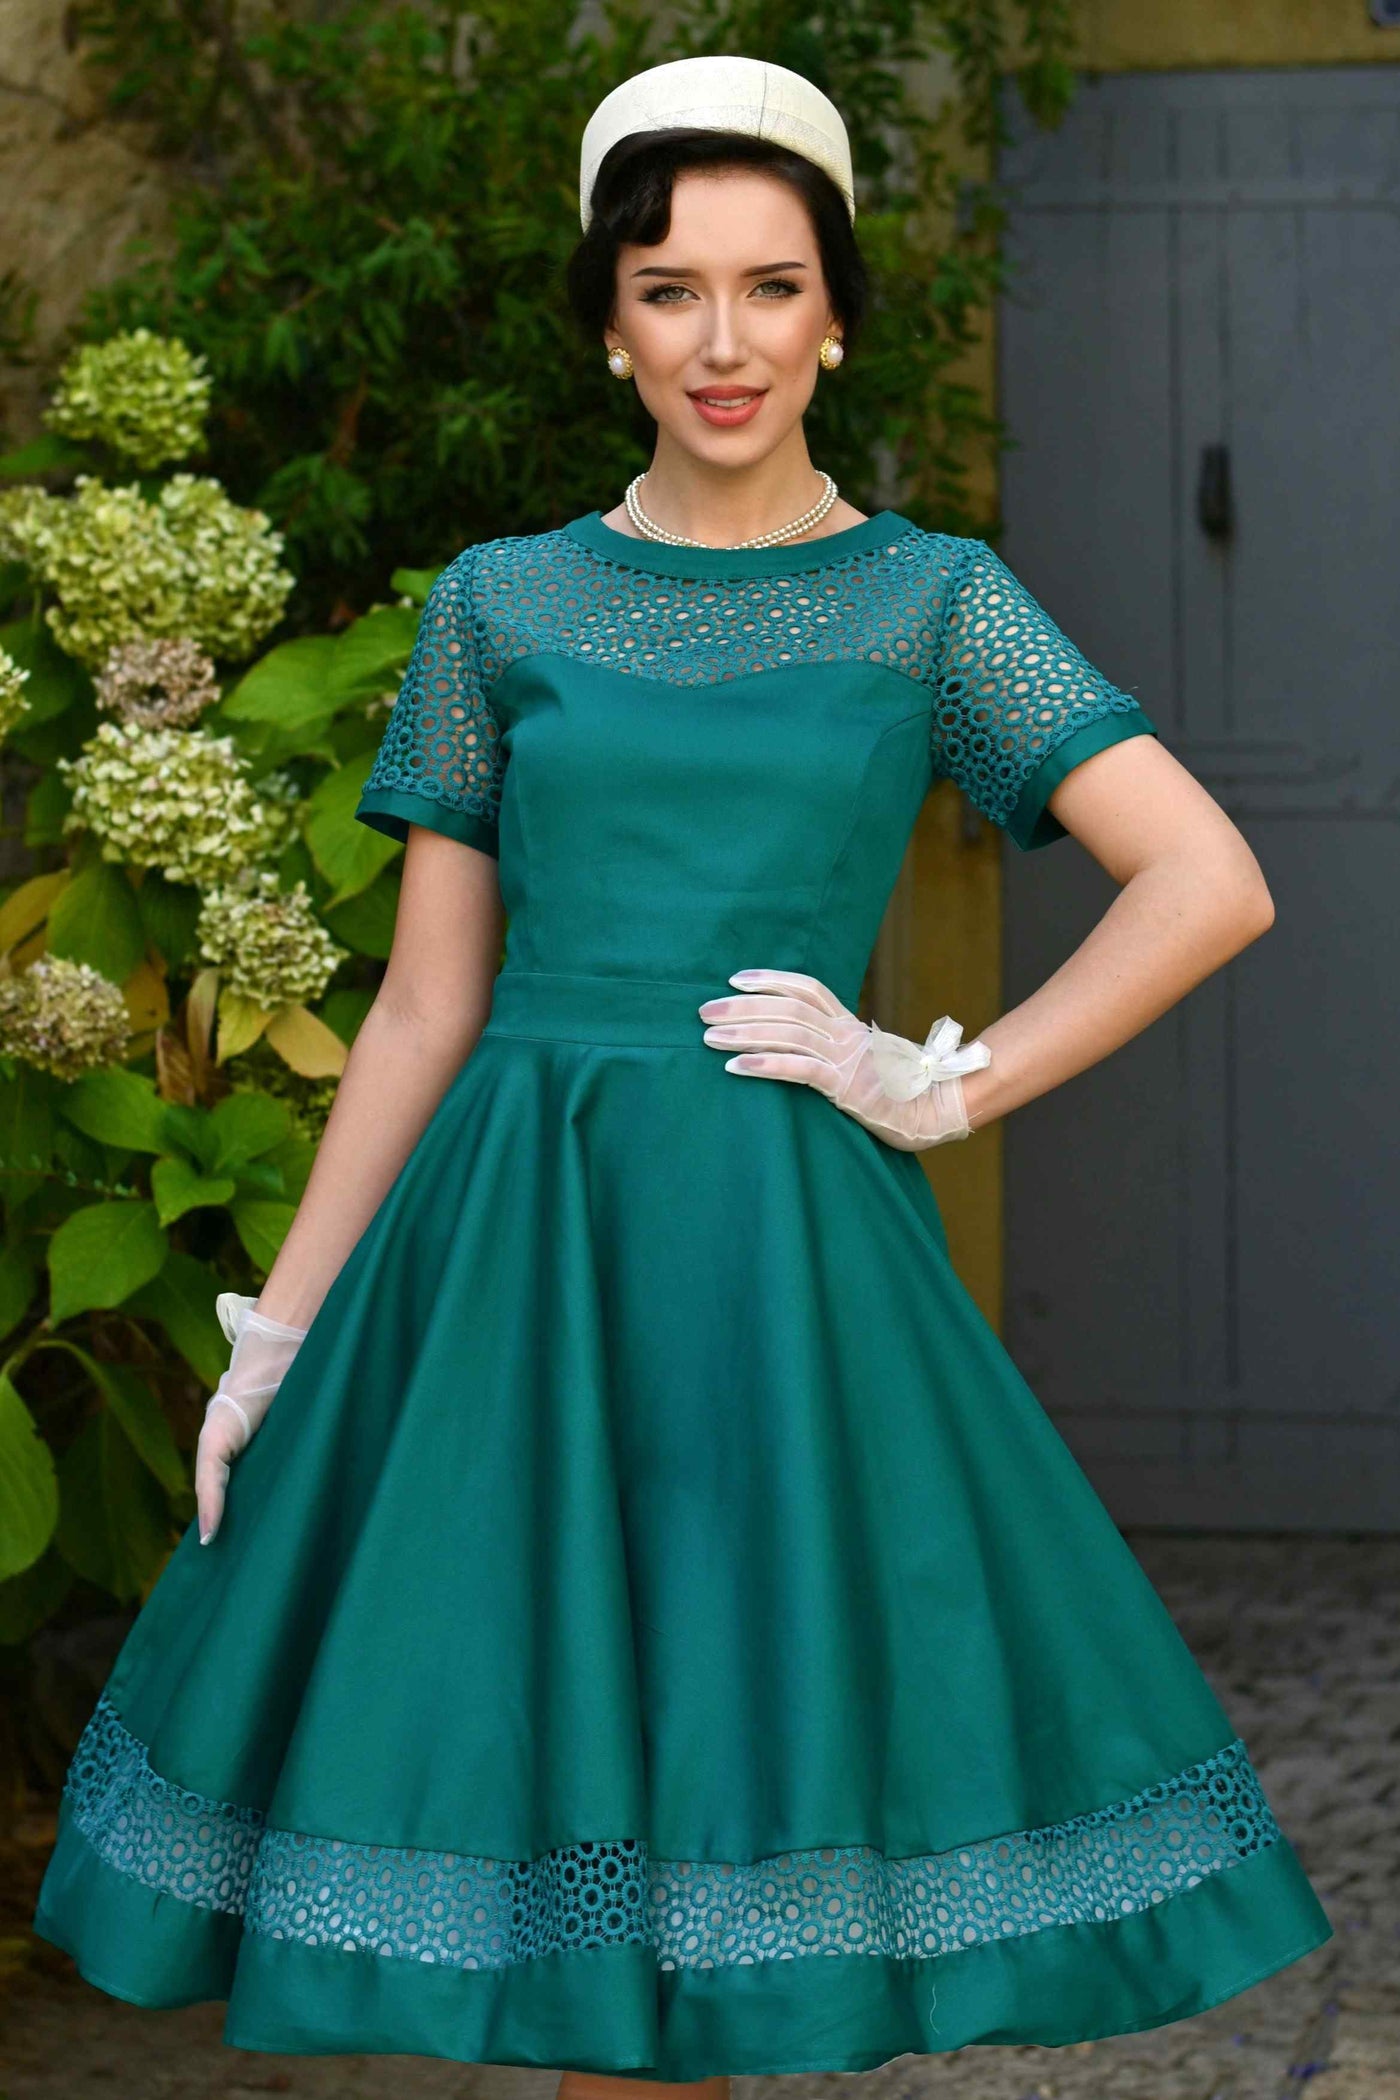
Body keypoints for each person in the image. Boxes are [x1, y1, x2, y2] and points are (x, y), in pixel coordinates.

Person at [33, 51, 1332, 2091]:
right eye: (667, 288)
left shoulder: (930, 603)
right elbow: (423, 1010)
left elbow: (1210, 880)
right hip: (509, 1267)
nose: (722, 343)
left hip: (782, 1261)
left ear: (836, 313)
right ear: (608, 316)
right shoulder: (504, 602)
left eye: (770, 286)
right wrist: (277, 1335)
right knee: (550, 1801)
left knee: (746, 1781)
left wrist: (944, 1079)